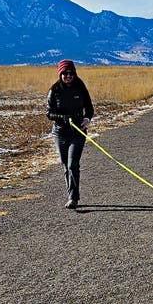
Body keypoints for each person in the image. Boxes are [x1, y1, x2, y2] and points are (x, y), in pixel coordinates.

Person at [45, 59, 94, 209]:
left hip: (78, 132)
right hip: (60, 133)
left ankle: (73, 198)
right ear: (60, 74)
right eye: (65, 73)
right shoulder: (54, 90)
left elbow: (89, 108)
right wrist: (63, 118)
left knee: (73, 164)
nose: (68, 76)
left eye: (71, 73)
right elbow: (49, 113)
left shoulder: (81, 88)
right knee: (65, 165)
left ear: (74, 74)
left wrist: (87, 119)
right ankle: (71, 194)